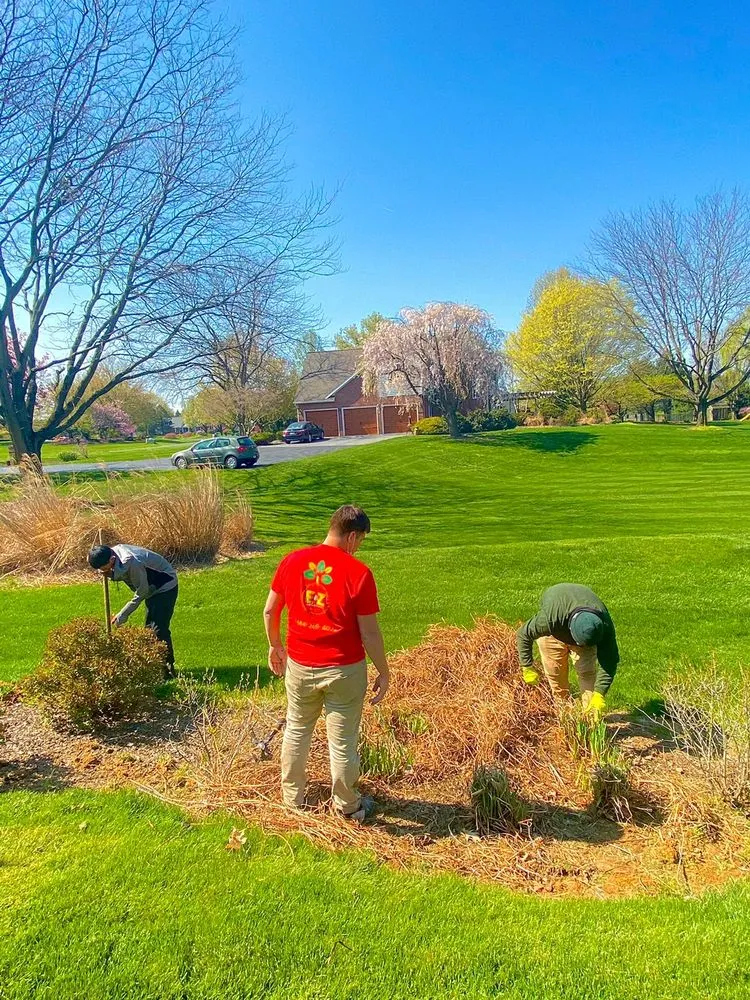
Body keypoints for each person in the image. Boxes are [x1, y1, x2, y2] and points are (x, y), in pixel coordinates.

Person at [263, 505, 390, 821]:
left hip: (302, 666)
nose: (358, 547)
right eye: (360, 541)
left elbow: (269, 611)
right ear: (351, 536)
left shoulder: (292, 562)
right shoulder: (358, 573)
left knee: (297, 729)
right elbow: (369, 633)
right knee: (343, 741)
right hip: (343, 669)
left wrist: (276, 646)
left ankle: (292, 800)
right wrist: (384, 671)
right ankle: (347, 807)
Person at [517, 583, 619, 717]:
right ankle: (564, 715)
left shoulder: (603, 625)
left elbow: (610, 661)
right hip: (554, 632)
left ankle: (589, 718)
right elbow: (523, 634)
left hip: (581, 624)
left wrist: (599, 693)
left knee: (587, 672)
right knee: (555, 673)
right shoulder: (549, 619)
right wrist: (527, 666)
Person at [87, 543, 178, 678]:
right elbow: (120, 572)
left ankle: (167, 669)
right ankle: (157, 667)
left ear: (111, 560)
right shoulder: (112, 554)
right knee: (150, 629)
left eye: (102, 568)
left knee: (157, 629)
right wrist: (109, 573)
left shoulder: (132, 561)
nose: (100, 571)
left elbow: (142, 592)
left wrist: (122, 615)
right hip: (151, 587)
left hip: (164, 586)